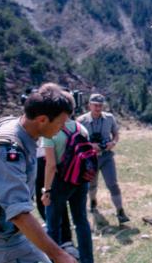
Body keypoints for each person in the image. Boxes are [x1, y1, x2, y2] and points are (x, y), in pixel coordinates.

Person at [0, 83, 76, 263]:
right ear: (42, 120)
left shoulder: (21, 129)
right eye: (60, 123)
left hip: (12, 235)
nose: (62, 129)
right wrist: (60, 255)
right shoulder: (8, 150)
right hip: (1, 241)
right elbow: (18, 213)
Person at [41, 92, 94, 263]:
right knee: (81, 221)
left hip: (60, 183)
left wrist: (46, 190)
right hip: (80, 181)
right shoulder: (81, 128)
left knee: (53, 225)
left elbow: (51, 165)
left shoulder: (50, 132)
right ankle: (87, 259)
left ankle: (53, 259)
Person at [77, 93, 129, 224]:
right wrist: (90, 145)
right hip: (89, 158)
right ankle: (93, 202)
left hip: (106, 156)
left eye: (100, 105)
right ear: (89, 105)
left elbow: (116, 134)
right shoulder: (81, 121)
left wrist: (113, 142)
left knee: (113, 184)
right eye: (95, 105)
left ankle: (120, 211)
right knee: (92, 184)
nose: (97, 108)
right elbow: (77, 140)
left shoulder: (109, 118)